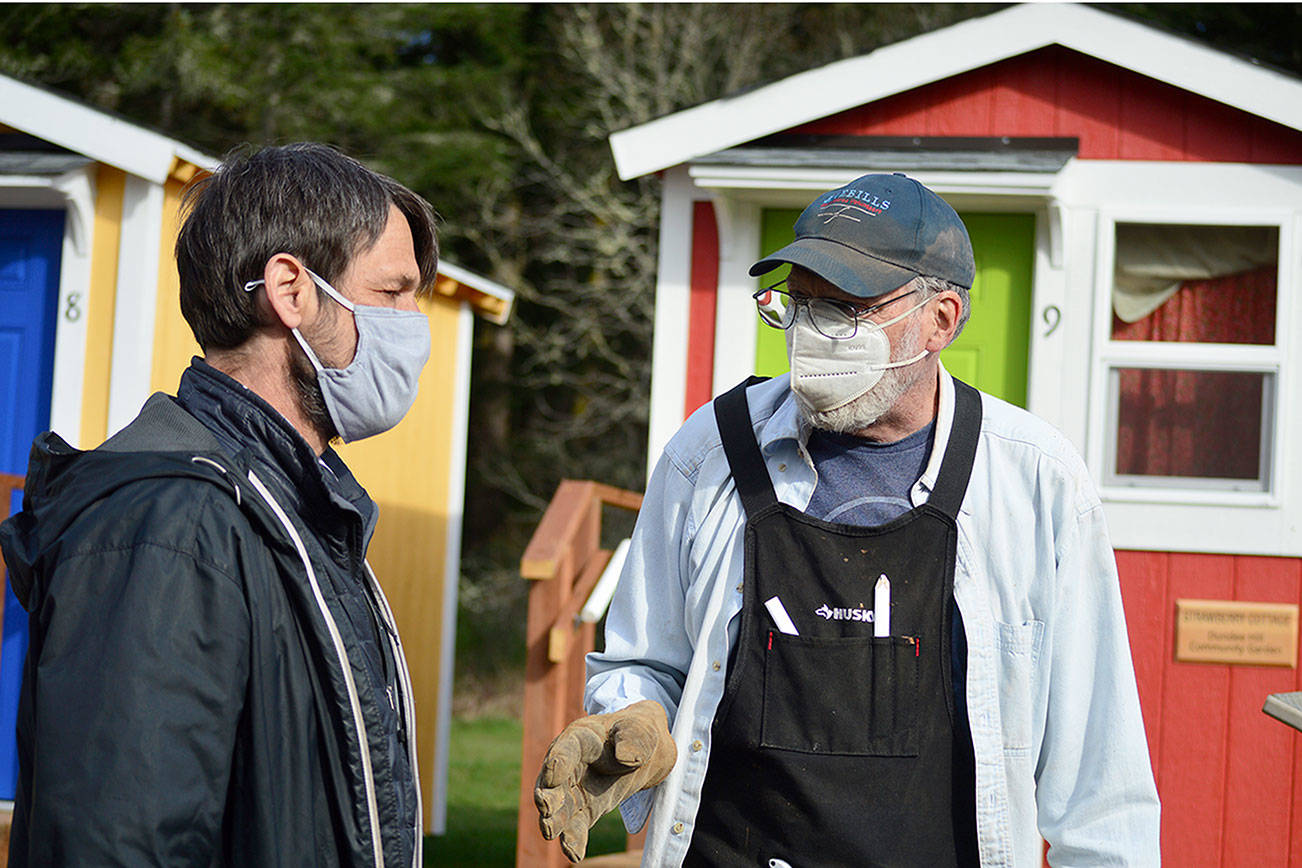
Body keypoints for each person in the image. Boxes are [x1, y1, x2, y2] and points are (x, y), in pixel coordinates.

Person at [535, 173, 1160, 866]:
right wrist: (637, 715)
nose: (811, 333)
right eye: (800, 304)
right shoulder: (709, 454)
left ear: (941, 319)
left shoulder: (1033, 482)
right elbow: (645, 660)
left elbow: (1101, 784)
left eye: (846, 308)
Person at [0, 142, 440, 867]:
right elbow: (117, 842)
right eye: (393, 293)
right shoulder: (170, 523)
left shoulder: (291, 504)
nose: (413, 325)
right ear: (291, 291)